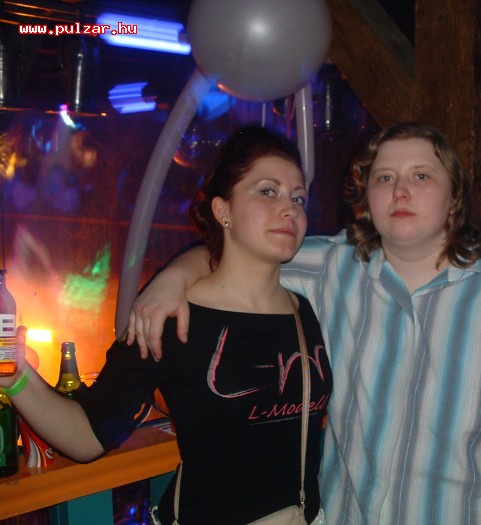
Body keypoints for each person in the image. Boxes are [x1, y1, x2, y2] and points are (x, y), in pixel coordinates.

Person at [129, 122, 481, 524]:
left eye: (421, 175)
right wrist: (173, 276)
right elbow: (238, 251)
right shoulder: (331, 267)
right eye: (385, 178)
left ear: (454, 197)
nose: (400, 191)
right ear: (367, 198)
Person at [0, 126, 333, 525]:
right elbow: (87, 434)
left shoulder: (309, 311)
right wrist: (16, 376)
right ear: (223, 211)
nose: (290, 209)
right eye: (267, 191)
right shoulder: (169, 317)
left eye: (298, 197)